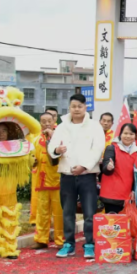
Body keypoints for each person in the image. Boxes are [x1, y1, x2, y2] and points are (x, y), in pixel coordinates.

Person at [48, 93, 105, 259]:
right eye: (74, 106)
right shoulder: (62, 126)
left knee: (89, 212)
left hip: (87, 175)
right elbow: (52, 146)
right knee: (67, 211)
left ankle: (89, 244)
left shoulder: (94, 126)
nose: (77, 109)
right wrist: (56, 150)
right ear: (69, 108)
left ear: (85, 107)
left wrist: (84, 166)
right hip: (67, 174)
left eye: (80, 106)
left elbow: (97, 148)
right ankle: (69, 244)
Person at [31, 112, 63, 249]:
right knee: (42, 213)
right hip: (41, 181)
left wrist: (52, 136)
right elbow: (31, 156)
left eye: (49, 121)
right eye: (43, 121)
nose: (46, 124)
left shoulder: (60, 137)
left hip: (57, 181)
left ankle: (60, 240)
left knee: (59, 213)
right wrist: (31, 161)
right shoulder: (36, 139)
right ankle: (41, 239)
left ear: (54, 121)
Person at [99, 123, 137, 214]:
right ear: (120, 134)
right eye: (125, 133)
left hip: (128, 195)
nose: (128, 136)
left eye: (131, 134)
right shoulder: (112, 148)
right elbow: (105, 169)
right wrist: (109, 167)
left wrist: (134, 190)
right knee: (112, 221)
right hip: (112, 194)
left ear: (135, 136)